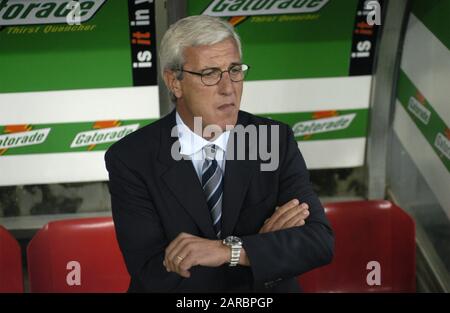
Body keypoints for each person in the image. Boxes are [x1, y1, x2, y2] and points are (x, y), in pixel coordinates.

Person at [105, 15, 333, 292]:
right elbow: (154, 273)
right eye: (210, 73)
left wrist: (227, 251)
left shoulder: (274, 139)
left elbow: (317, 242)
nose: (229, 88)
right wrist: (259, 250)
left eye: (235, 70)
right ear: (174, 82)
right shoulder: (132, 158)